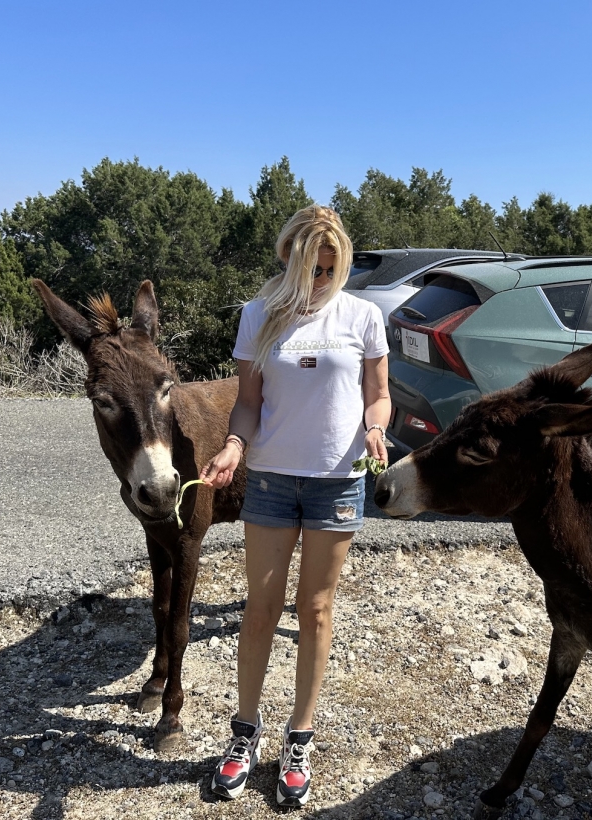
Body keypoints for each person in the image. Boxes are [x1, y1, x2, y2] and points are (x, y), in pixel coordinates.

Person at [198, 205, 390, 807]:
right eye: (312, 270)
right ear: (289, 260)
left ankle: (298, 738)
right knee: (261, 607)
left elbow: (378, 396)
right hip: (272, 479)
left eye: (331, 271)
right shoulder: (259, 316)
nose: (320, 283)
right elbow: (249, 402)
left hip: (338, 481)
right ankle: (244, 733)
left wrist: (376, 429)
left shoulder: (364, 316)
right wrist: (234, 444)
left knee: (316, 609)